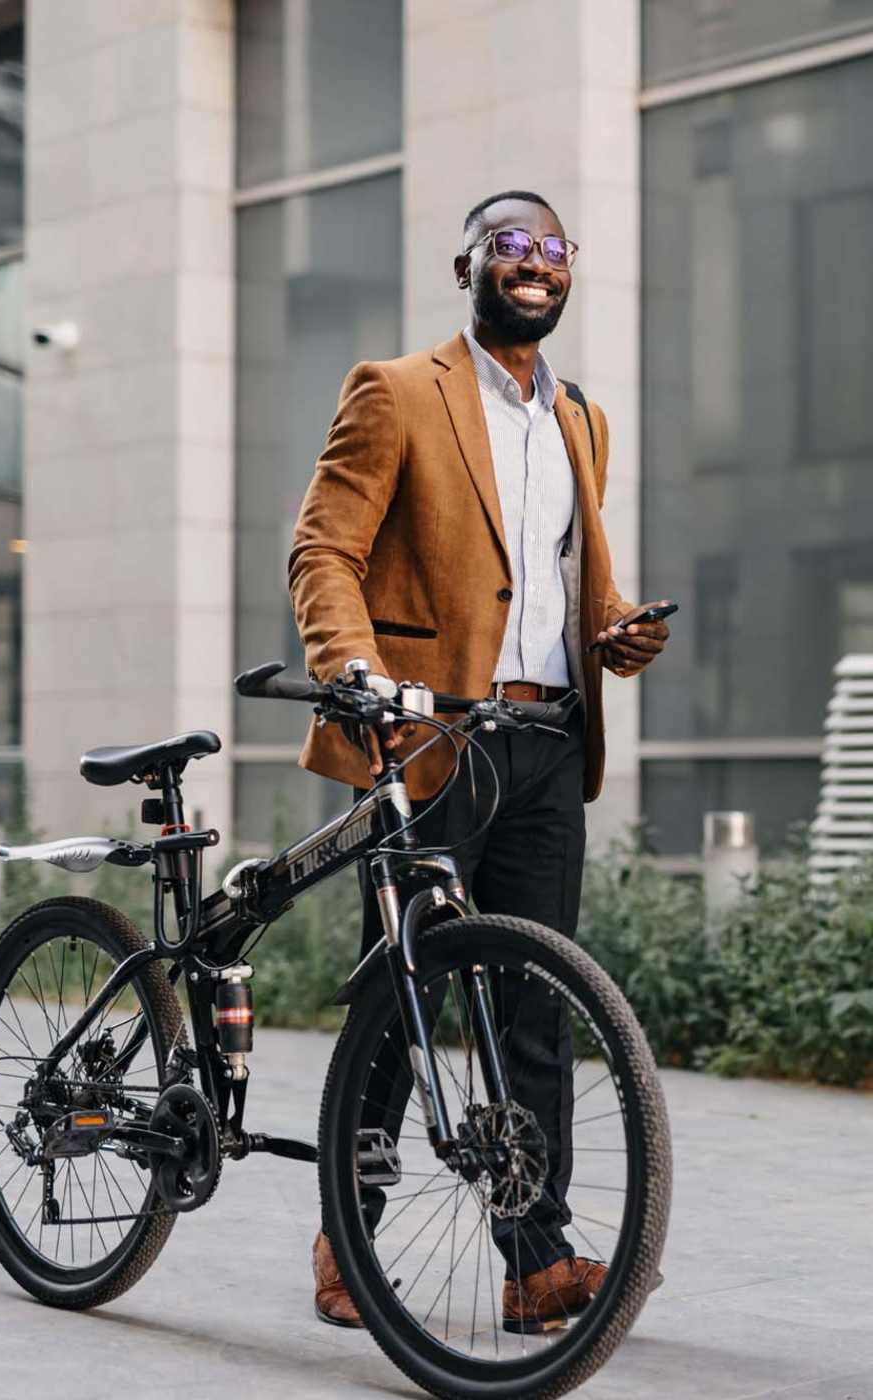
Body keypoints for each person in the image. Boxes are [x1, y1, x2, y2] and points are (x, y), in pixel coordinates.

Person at [289, 189, 670, 1330]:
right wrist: (353, 667)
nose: (535, 264)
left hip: (549, 738)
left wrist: (611, 622)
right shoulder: (396, 390)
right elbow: (324, 546)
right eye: (512, 246)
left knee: (537, 1000)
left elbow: (550, 575)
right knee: (399, 996)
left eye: (553, 249)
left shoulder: (582, 418)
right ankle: (347, 1232)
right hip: (429, 732)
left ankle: (532, 1253)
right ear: (468, 263)